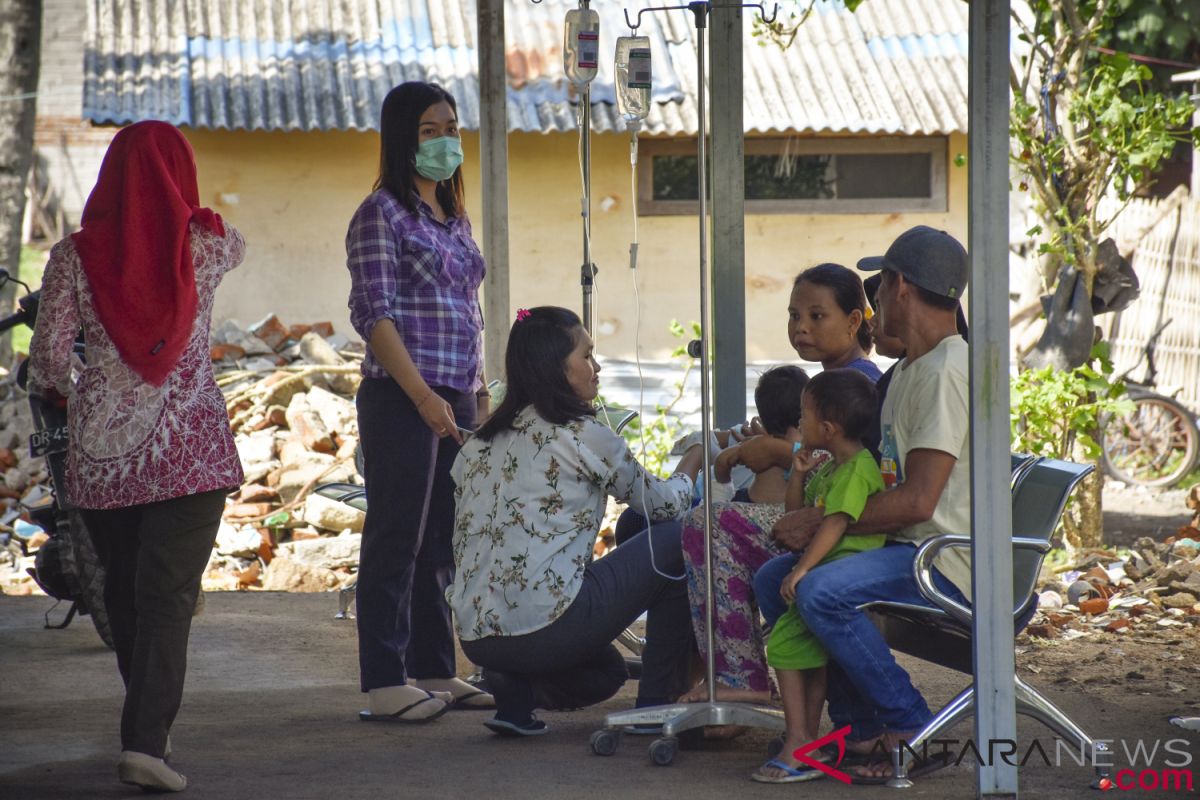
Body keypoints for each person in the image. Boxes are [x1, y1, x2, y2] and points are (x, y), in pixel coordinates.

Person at [28, 121, 246, 793]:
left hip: (102, 458)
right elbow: (238, 244)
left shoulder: (70, 256)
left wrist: (76, 390)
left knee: (124, 595)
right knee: (167, 598)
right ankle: (146, 740)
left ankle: (148, 728)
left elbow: (47, 362)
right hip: (192, 451)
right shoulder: (209, 245)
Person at [772, 225, 972, 782]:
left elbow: (917, 499)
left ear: (899, 285)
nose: (874, 296)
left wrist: (817, 519)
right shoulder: (912, 368)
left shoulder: (947, 372)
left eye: (877, 284)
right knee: (774, 581)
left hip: (944, 558)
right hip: (905, 547)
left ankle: (912, 726)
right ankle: (860, 730)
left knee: (818, 590)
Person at [448, 307, 705, 736]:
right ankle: (657, 708)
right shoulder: (581, 435)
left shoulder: (477, 444)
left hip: (477, 639)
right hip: (547, 628)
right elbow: (663, 506)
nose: (597, 366)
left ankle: (515, 696)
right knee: (681, 540)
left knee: (605, 672)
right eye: (587, 356)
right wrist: (694, 455)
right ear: (557, 368)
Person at [346, 81, 493, 723]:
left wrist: (477, 389)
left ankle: (436, 669)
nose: (443, 142)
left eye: (450, 128)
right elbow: (373, 315)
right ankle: (384, 680)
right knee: (395, 537)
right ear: (403, 138)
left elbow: (467, 308)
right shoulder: (381, 212)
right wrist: (424, 396)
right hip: (402, 395)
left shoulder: (452, 219)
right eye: (428, 131)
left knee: (441, 541)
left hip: (456, 393)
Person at [678, 263, 881, 704]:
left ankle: (740, 674)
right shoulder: (831, 382)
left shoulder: (859, 387)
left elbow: (855, 465)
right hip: (813, 519)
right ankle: (717, 675)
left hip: (841, 536)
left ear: (853, 321)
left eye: (816, 316)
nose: (801, 328)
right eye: (794, 316)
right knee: (702, 526)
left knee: (708, 525)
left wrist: (778, 453)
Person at [747, 369, 885, 782]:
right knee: (807, 656)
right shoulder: (829, 466)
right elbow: (795, 514)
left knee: (785, 649)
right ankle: (804, 739)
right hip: (825, 569)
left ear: (827, 428)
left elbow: (835, 523)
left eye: (803, 417)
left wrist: (802, 570)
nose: (799, 424)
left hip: (835, 573)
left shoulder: (857, 469)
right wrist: (800, 472)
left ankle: (798, 743)